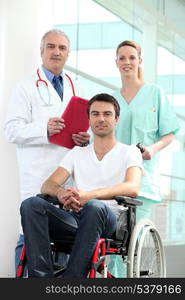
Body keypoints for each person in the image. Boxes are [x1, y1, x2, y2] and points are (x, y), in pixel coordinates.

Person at [20, 93, 144, 278]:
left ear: (116, 119)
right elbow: (48, 184)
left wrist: (89, 195)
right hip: (76, 219)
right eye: (95, 114)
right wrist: (61, 193)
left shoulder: (130, 152)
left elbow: (132, 187)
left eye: (107, 114)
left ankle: (72, 282)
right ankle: (41, 280)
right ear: (89, 119)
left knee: (94, 207)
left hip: (110, 221)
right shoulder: (77, 153)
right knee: (31, 204)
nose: (101, 119)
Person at [4, 29, 89, 274]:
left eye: (62, 48)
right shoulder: (26, 87)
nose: (56, 51)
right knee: (31, 234)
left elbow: (86, 128)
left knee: (64, 240)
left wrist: (84, 138)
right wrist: (45, 129)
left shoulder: (77, 86)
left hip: (68, 178)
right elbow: (11, 130)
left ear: (68, 54)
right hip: (37, 175)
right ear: (42, 51)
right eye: (51, 46)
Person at [108, 40, 180, 277]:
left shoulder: (154, 93)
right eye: (122, 58)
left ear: (140, 61)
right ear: (116, 62)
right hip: (113, 181)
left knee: (132, 245)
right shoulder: (111, 99)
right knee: (112, 246)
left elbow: (168, 133)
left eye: (131, 57)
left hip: (143, 181)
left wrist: (152, 149)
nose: (127, 62)